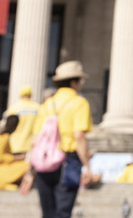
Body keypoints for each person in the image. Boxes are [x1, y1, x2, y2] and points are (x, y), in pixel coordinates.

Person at [24, 60, 93, 218]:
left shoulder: (47, 105)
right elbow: (79, 136)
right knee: (63, 211)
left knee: (48, 212)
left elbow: (35, 140)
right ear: (74, 82)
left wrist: (29, 171)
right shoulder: (80, 103)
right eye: (80, 81)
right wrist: (87, 165)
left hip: (44, 161)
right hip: (68, 161)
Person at [3, 85, 40, 154]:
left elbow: (7, 125)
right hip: (32, 145)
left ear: (20, 95)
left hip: (15, 144)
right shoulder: (38, 108)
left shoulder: (14, 108)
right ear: (31, 95)